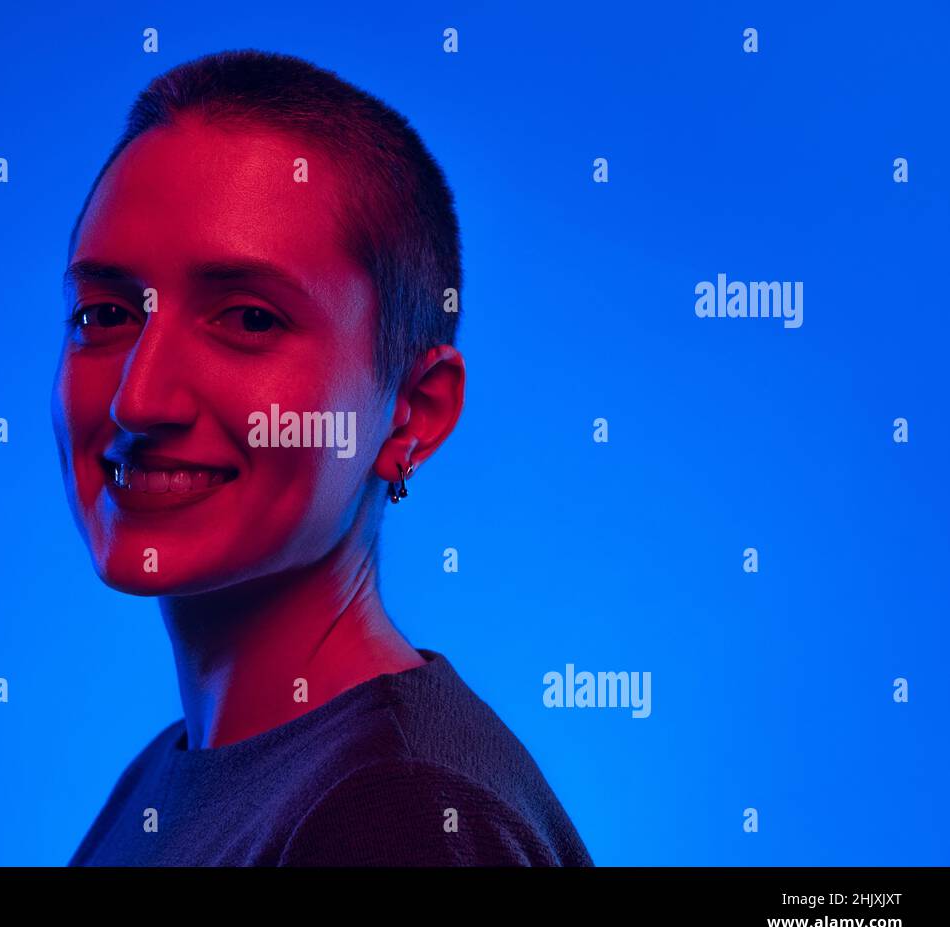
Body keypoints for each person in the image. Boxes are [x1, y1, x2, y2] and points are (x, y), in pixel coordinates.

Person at [51, 49, 592, 866]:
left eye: (249, 318)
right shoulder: (169, 777)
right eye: (105, 314)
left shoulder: (394, 817)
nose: (139, 400)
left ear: (412, 411)